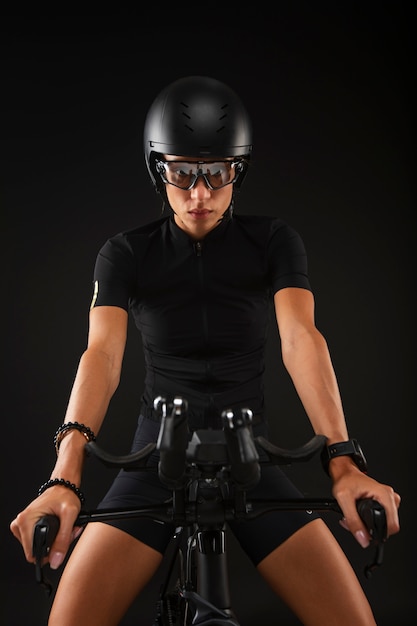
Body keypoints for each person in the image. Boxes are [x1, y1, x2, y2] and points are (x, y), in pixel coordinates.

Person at [10, 76, 400, 626]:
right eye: (182, 173)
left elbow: (301, 338)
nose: (199, 194)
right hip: (155, 461)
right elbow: (101, 354)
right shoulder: (124, 254)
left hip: (251, 460)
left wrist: (343, 461)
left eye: (216, 174)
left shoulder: (274, 241)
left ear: (237, 171)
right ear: (157, 169)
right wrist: (65, 474)